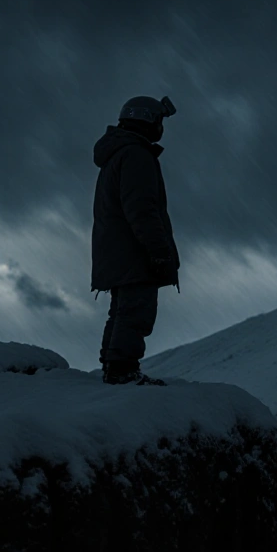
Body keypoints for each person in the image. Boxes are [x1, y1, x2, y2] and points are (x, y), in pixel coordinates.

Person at [91, 95, 180, 385]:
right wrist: (158, 251)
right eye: (160, 121)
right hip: (134, 251)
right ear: (149, 120)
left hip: (116, 250)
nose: (161, 127)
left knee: (122, 310)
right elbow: (142, 210)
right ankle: (122, 371)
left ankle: (114, 366)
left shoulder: (117, 154)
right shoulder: (136, 155)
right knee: (136, 310)